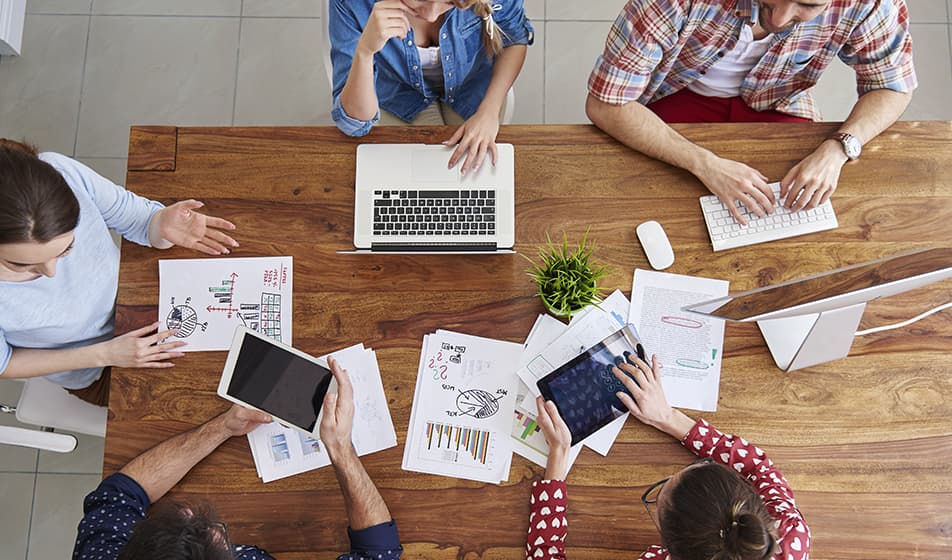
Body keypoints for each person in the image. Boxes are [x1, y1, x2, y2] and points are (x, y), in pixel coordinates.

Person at [585, 0, 916, 224]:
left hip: (780, 100)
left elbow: (892, 85)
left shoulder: (872, 4)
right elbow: (606, 104)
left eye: (807, 5)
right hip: (680, 91)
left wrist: (839, 147)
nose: (780, 20)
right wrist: (704, 163)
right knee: (652, 209)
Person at [73, 357, 403, 560]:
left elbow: (121, 492)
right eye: (215, 538)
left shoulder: (103, 552)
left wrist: (222, 427)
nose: (191, 513)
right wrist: (341, 447)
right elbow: (379, 552)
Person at [0, 139, 240, 403]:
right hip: (97, 367)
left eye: (66, 250)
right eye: (20, 265)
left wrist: (161, 225)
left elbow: (137, 218)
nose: (52, 272)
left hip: (137, 299)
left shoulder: (60, 172)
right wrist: (107, 354)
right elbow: (6, 363)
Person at [528, 355, 811, 560]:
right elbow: (758, 467)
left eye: (661, 492)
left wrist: (557, 460)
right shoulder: (787, 531)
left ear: (668, 543)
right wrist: (668, 417)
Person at [329, 0, 534, 173]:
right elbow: (353, 123)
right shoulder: (351, 4)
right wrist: (365, 52)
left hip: (473, 93)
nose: (430, 15)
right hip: (397, 95)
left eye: (449, 2)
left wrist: (489, 110)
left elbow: (514, 39)